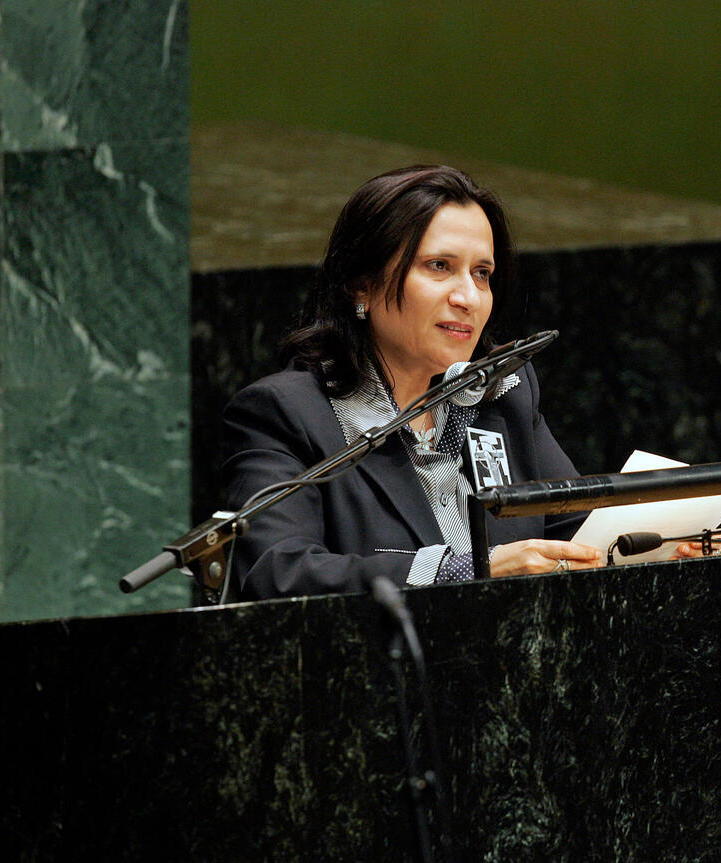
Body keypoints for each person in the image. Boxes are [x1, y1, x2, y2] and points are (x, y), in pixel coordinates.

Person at [220, 165, 604, 599]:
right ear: (361, 286)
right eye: (439, 266)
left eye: (482, 273)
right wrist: (467, 570)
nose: (468, 298)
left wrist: (645, 538)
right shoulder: (286, 413)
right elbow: (278, 571)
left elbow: (581, 534)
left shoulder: (501, 392)